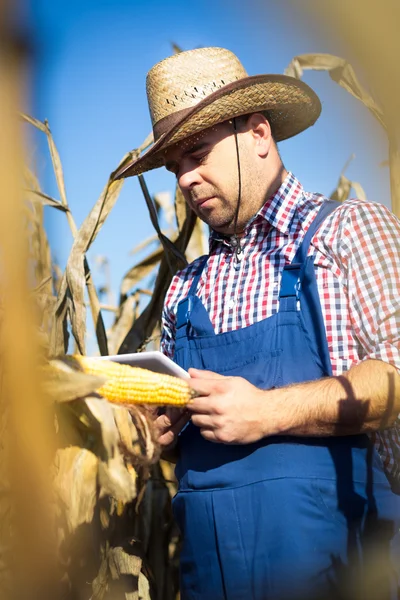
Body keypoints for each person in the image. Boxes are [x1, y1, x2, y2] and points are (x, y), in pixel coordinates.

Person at [112, 47, 400, 600]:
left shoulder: (349, 233)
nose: (186, 181)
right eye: (175, 168)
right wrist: (161, 434)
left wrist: (266, 411)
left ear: (260, 133)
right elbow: (190, 443)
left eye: (197, 154)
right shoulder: (185, 286)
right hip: (211, 575)